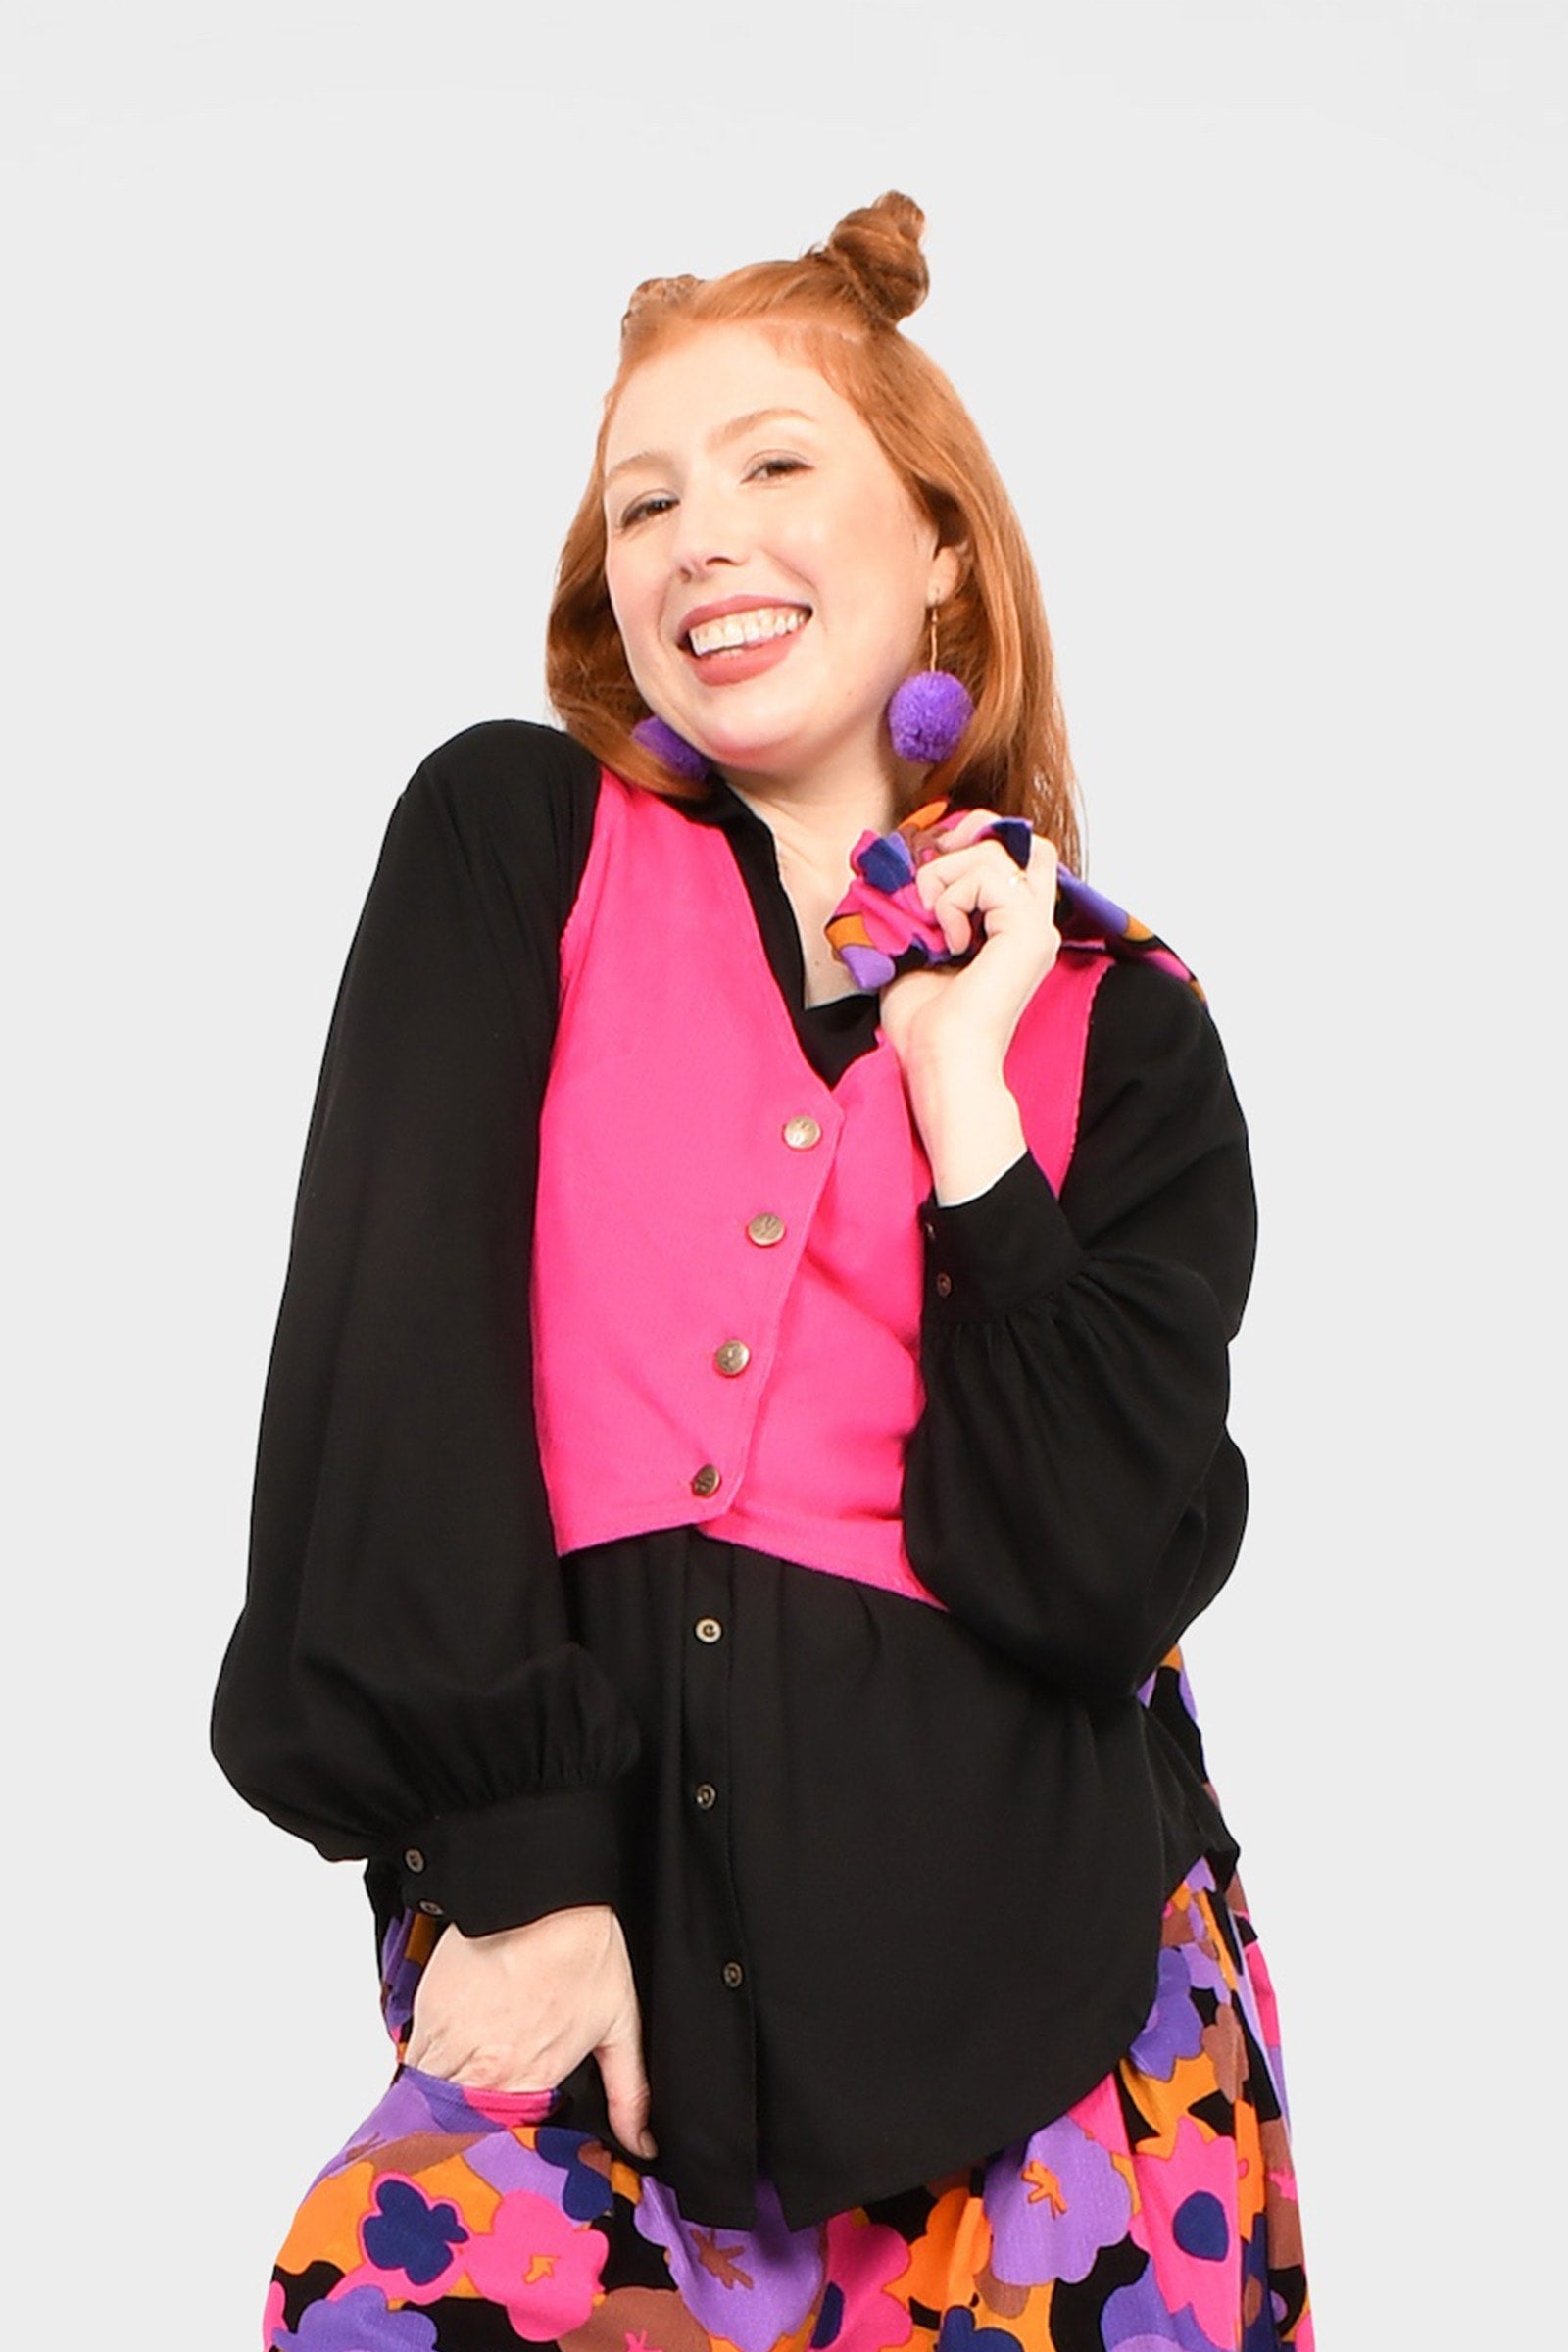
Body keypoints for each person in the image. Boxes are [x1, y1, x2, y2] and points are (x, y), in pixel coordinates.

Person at [212, 192, 1313, 2352]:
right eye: (643, 502)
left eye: (772, 463)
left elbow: (1088, 1577)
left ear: (940, 550)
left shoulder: (1124, 1029)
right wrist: (522, 1872)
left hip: (1065, 2041)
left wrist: (965, 1097)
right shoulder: (513, 846)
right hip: (588, 1984)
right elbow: (388, 1370)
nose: (696, 535)